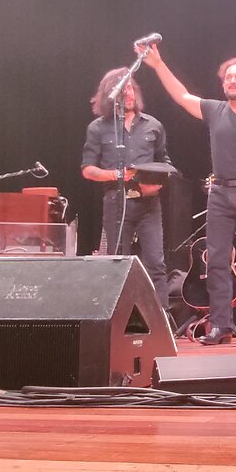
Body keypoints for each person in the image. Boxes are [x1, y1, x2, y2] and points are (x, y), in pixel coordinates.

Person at [138, 44, 236, 344]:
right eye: (228, 77)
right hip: (220, 193)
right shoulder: (215, 110)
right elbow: (182, 96)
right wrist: (158, 64)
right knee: (215, 260)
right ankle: (220, 326)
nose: (232, 81)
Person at [81, 68, 172, 312]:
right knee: (118, 263)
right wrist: (118, 175)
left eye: (130, 88)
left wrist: (158, 182)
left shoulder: (153, 125)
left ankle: (162, 319)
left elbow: (165, 163)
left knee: (156, 262)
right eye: (122, 90)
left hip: (149, 205)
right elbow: (88, 169)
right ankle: (119, 319)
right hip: (116, 202)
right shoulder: (98, 128)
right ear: (110, 96)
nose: (128, 94)